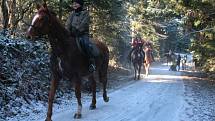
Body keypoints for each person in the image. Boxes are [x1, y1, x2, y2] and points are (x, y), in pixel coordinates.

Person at [65, 0, 98, 72]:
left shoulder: (85, 13)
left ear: (80, 4)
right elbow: (68, 23)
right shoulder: (72, 14)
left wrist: (77, 30)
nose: (74, 4)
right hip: (72, 34)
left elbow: (84, 24)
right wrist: (68, 31)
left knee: (86, 44)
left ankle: (91, 63)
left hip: (83, 34)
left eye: (76, 3)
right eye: (73, 3)